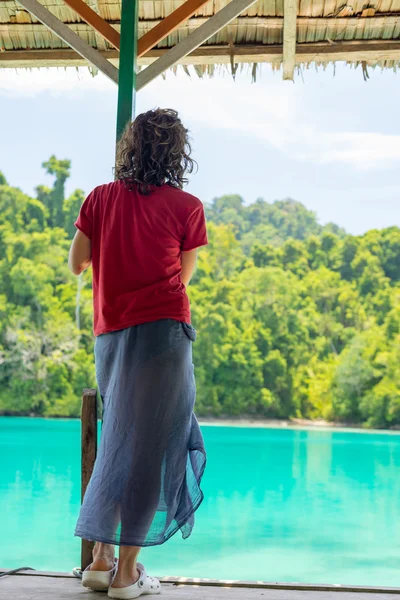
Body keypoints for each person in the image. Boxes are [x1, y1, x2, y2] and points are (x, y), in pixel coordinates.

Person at [68, 108, 207, 600]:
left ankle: (101, 560)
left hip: (112, 337)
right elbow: (183, 278)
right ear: (177, 153)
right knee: (152, 447)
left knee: (119, 440)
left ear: (130, 148)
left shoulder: (100, 199)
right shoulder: (187, 206)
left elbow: (77, 263)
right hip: (164, 338)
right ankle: (127, 574)